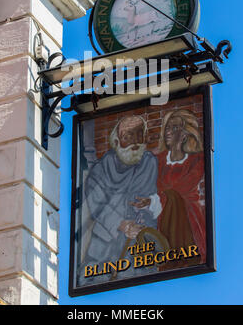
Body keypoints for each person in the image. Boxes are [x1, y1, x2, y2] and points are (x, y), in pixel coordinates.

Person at [78, 115, 159, 285]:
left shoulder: (149, 162)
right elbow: (97, 203)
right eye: (127, 136)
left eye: (138, 135)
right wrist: (121, 223)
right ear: (116, 141)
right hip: (104, 243)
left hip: (139, 240)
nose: (134, 141)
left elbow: (140, 196)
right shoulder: (101, 169)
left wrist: (140, 214)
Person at [133, 109, 206, 268]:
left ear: (185, 135)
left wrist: (154, 199)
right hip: (159, 217)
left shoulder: (197, 160)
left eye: (174, 128)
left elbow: (183, 188)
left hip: (187, 218)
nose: (168, 132)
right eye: (167, 127)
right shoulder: (156, 160)